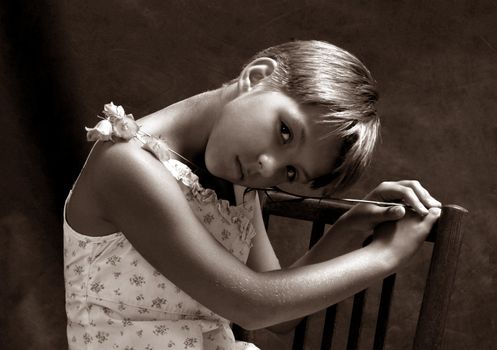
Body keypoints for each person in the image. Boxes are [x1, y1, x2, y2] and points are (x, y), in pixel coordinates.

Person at [63, 40, 442, 350]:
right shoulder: (128, 164)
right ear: (257, 76)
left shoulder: (238, 183)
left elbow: (281, 317)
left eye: (291, 172)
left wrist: (350, 228)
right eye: (284, 133)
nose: (267, 166)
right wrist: (385, 256)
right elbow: (252, 307)